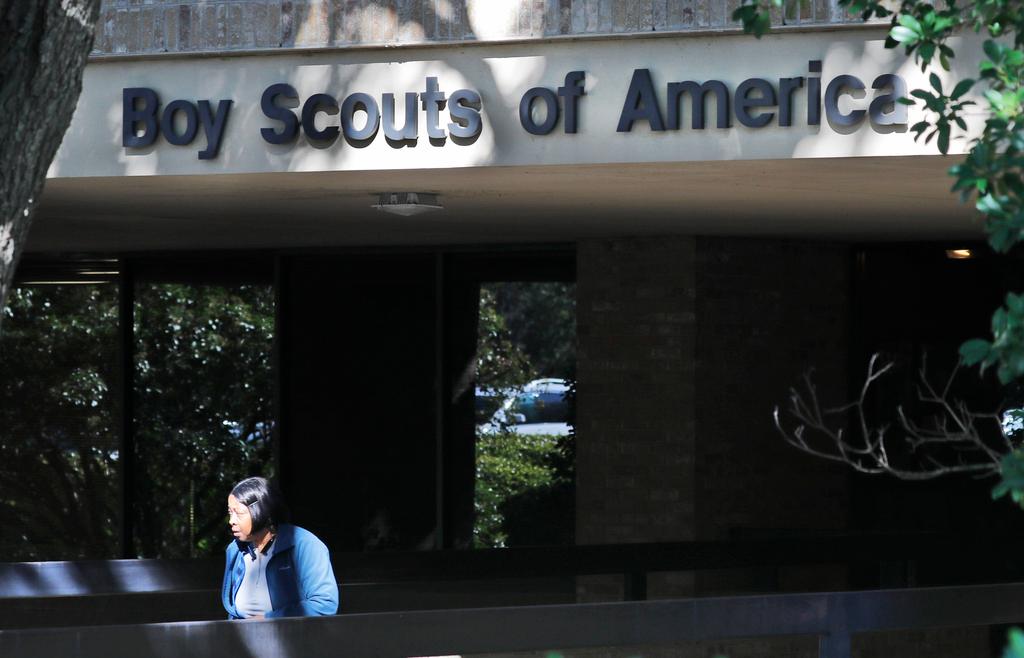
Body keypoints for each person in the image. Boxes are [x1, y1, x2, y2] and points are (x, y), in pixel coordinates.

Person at [221, 476, 339, 619]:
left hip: (296, 638)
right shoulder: (235, 550)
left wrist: (268, 620)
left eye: (239, 513)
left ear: (263, 511)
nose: (231, 521)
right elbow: (233, 612)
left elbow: (325, 604)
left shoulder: (304, 544)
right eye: (230, 513)